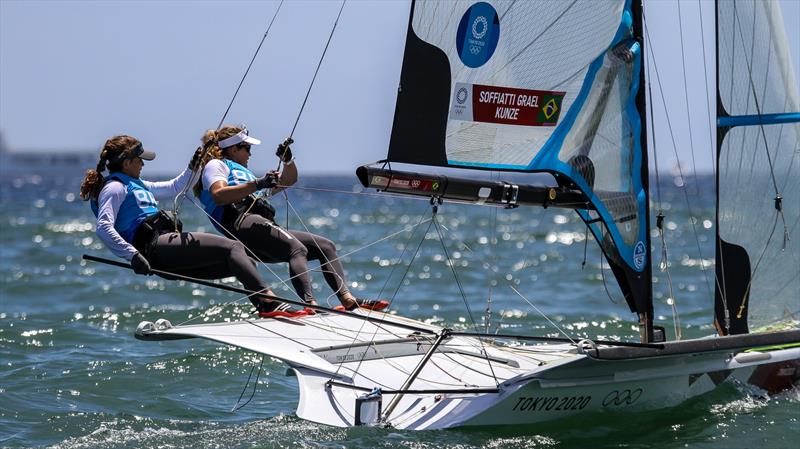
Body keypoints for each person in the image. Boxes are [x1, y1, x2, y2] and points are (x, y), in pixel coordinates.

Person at [79, 134, 308, 318]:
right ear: (127, 162)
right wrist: (132, 256)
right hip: (155, 248)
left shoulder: (137, 183)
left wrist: (194, 167)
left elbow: (174, 187)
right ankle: (270, 301)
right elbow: (103, 227)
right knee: (234, 248)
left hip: (166, 251)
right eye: (139, 160)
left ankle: (268, 309)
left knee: (240, 262)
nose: (142, 164)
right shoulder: (115, 188)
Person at [194, 125, 389, 311]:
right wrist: (258, 184)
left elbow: (288, 180)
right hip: (242, 223)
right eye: (247, 148)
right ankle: (310, 304)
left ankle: (347, 299)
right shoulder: (216, 165)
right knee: (297, 249)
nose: (250, 153)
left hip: (260, 228)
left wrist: (287, 160)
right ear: (233, 149)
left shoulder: (245, 174)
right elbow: (219, 195)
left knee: (325, 246)